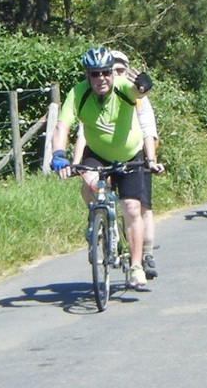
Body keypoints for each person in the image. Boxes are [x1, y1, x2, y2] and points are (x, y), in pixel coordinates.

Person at [51, 47, 154, 288]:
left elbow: (138, 91)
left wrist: (144, 85)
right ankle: (97, 216)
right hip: (97, 154)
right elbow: (62, 127)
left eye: (105, 73)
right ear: (87, 75)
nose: (101, 79)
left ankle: (136, 266)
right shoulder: (78, 93)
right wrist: (58, 154)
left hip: (130, 154)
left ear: (112, 73)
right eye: (94, 74)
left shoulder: (121, 86)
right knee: (87, 179)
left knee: (131, 207)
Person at [71, 50, 164, 280]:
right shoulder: (93, 98)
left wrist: (151, 160)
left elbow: (147, 129)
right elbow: (83, 134)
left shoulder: (135, 97)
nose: (111, 76)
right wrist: (75, 163)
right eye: (111, 71)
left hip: (135, 153)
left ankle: (146, 254)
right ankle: (101, 223)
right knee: (92, 186)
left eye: (118, 71)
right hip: (103, 153)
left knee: (139, 207)